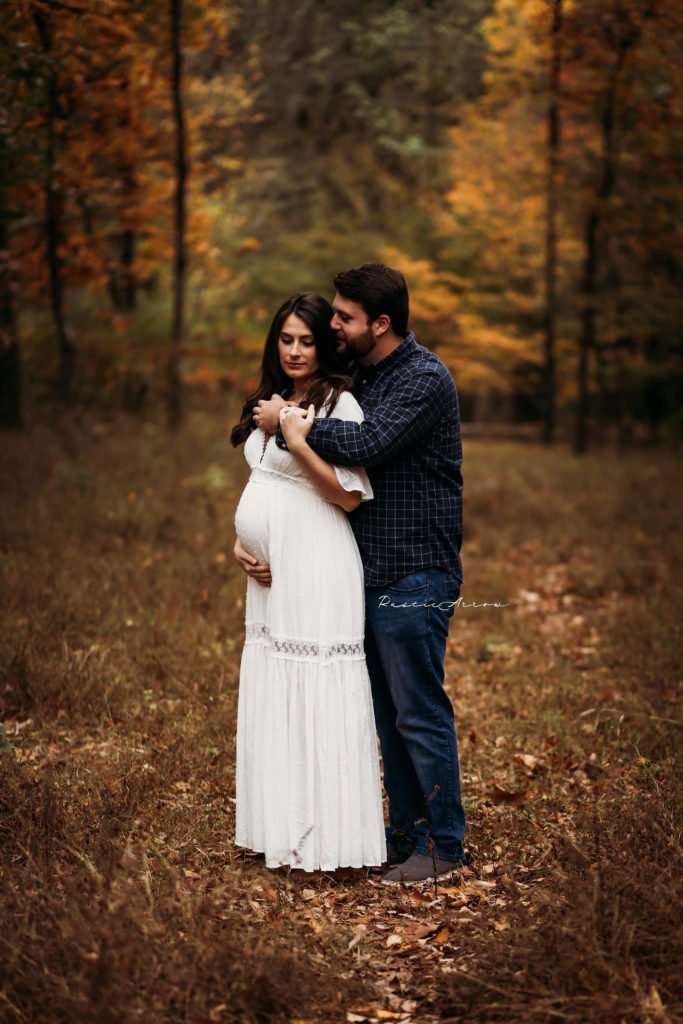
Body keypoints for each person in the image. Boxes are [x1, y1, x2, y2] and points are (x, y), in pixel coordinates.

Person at [254, 264, 466, 885]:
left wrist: (291, 425)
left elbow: (367, 444)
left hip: (413, 571)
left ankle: (442, 846)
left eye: (345, 317)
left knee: (417, 710)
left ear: (381, 322)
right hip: (365, 572)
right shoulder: (367, 374)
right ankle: (405, 834)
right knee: (385, 711)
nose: (334, 325)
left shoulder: (423, 377)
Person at [230, 292, 387, 873]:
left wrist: (296, 436)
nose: (295, 351)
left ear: (325, 344)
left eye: (307, 340)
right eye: (286, 339)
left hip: (318, 564)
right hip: (268, 575)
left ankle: (327, 842)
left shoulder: (338, 403)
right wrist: (242, 542)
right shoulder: (273, 401)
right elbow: (264, 483)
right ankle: (278, 831)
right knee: (276, 690)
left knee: (315, 690)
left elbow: (348, 495)